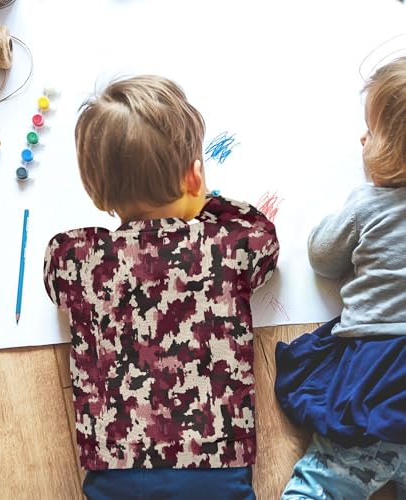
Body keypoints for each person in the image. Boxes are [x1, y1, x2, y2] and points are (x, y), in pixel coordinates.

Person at [43, 75, 279, 499]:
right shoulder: (226, 244)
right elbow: (265, 240)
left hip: (116, 463)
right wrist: (206, 204)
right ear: (194, 177)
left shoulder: (79, 258)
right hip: (217, 460)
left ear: (97, 194)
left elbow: (54, 276)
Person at [275, 57, 406, 499]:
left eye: (372, 132)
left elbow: (322, 258)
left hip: (373, 386)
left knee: (327, 479)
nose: (362, 139)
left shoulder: (370, 204)